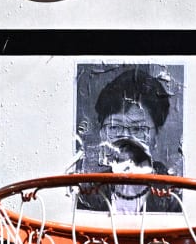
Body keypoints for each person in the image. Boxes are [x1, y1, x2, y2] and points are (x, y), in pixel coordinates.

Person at [76, 66, 181, 213]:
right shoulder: (87, 194)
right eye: (114, 128)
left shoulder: (176, 193)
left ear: (156, 135)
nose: (126, 138)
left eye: (138, 129)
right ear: (102, 133)